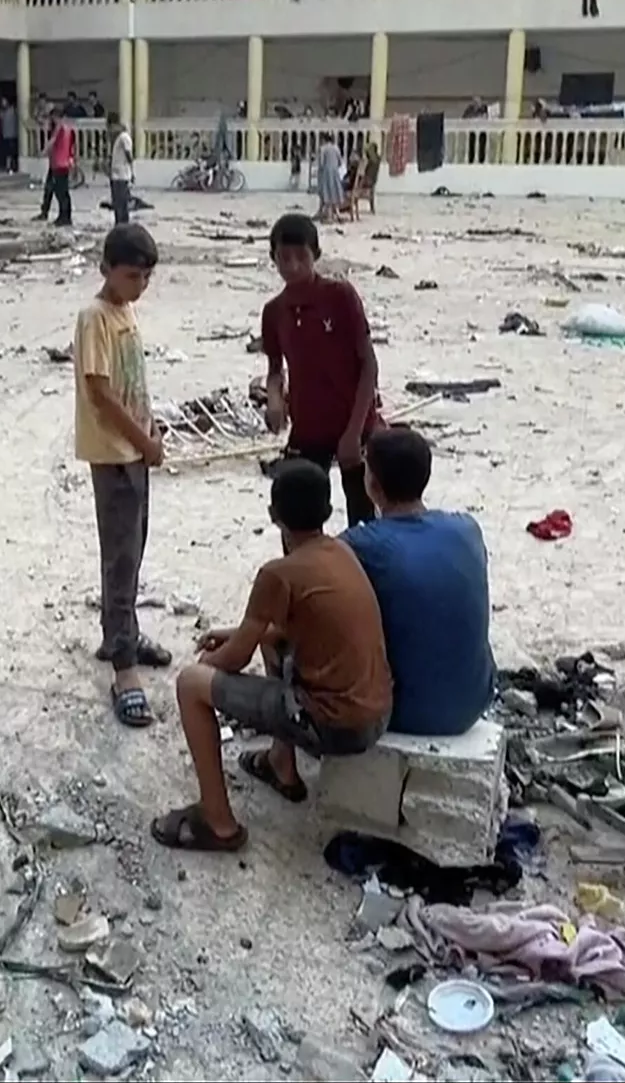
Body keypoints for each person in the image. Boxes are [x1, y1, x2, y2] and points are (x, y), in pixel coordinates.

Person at [153, 460, 392, 851]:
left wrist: (208, 666)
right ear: (327, 511)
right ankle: (282, 765)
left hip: (332, 724)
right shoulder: (342, 552)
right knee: (271, 643)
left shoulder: (278, 573)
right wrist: (241, 633)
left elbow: (233, 661)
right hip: (377, 713)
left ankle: (217, 821)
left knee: (190, 684)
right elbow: (293, 628)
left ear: (272, 514)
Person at [75, 224, 169, 728]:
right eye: (133, 276)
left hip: (134, 449)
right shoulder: (95, 317)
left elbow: (133, 383)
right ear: (106, 269)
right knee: (120, 556)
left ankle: (122, 633)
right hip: (114, 455)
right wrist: (142, 440)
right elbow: (102, 393)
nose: (141, 285)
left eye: (147, 277)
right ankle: (123, 667)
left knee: (134, 548)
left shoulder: (126, 311)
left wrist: (152, 430)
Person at [344, 427, 495, 737]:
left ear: (372, 484)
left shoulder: (360, 544)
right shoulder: (467, 528)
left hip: (407, 712)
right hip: (475, 700)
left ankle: (283, 754)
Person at [262, 213, 381, 526]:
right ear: (273, 258)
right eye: (284, 258)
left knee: (363, 518)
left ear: (316, 255)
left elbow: (368, 364)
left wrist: (354, 432)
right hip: (308, 425)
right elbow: (275, 368)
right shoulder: (274, 311)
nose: (293, 266)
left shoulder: (340, 296)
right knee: (298, 516)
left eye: (301, 257)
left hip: (353, 418)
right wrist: (274, 399)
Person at [39, 112, 75, 226]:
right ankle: (65, 216)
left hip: (58, 163)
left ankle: (64, 217)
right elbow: (72, 146)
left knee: (60, 192)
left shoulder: (60, 128)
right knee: (64, 192)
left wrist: (44, 151)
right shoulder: (69, 128)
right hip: (64, 163)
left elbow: (52, 141)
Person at [108, 114, 134, 224]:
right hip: (116, 174)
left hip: (121, 175)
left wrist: (131, 170)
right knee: (117, 201)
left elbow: (128, 154)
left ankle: (122, 222)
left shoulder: (124, 137)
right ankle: (119, 222)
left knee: (121, 202)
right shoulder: (118, 138)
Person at [315, 134, 345, 221]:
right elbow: (340, 162)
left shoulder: (323, 149)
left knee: (326, 192)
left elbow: (321, 163)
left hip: (326, 173)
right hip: (335, 173)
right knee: (334, 192)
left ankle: (328, 215)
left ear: (324, 140)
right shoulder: (336, 148)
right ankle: (337, 213)